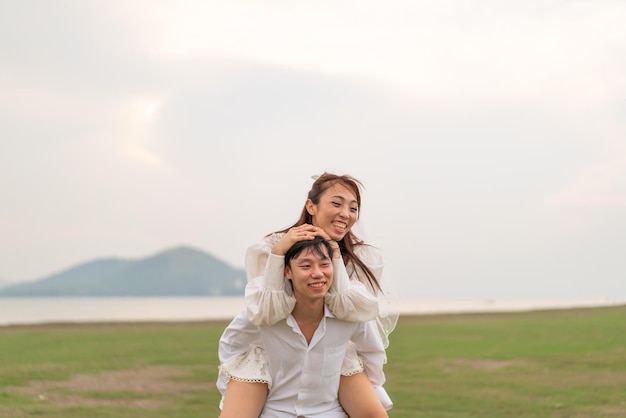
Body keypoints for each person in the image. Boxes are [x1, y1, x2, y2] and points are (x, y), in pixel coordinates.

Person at [220, 172, 398, 417]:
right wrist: (278, 254)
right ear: (311, 206)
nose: (345, 213)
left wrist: (334, 258)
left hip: (333, 346)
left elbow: (354, 312)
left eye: (353, 208)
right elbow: (268, 308)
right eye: (336, 203)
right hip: (274, 345)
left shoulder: (362, 257)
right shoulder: (272, 247)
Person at [217, 237, 388, 418]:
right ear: (288, 272)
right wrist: (241, 381)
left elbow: (372, 351)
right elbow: (231, 343)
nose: (318, 273)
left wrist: (367, 387)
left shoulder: (347, 316)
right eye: (306, 266)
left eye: (324, 264)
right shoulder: (267, 314)